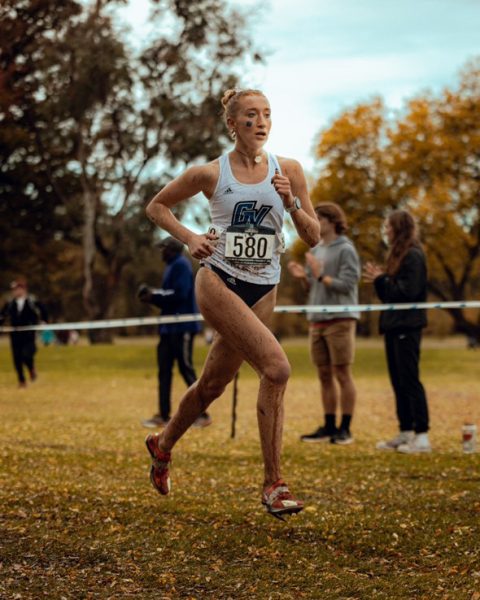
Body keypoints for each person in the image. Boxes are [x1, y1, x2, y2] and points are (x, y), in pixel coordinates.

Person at [143, 88, 320, 519]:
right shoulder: (209, 174)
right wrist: (191, 239)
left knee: (212, 385)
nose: (261, 122)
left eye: (267, 115)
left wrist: (291, 202)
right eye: (251, 116)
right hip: (219, 280)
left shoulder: (290, 170)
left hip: (264, 288)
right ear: (233, 124)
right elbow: (156, 207)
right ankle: (274, 485)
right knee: (276, 368)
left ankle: (162, 445)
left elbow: (314, 237)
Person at [288, 203, 360, 445]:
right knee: (324, 375)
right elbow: (314, 284)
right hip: (316, 320)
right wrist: (304, 278)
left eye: (318, 217)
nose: (314, 221)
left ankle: (345, 429)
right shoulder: (317, 249)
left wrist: (319, 276)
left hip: (339, 320)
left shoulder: (346, 249)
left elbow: (348, 285)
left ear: (331, 220)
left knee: (342, 373)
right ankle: (329, 426)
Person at [363, 209, 431, 454]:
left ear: (400, 229)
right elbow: (388, 294)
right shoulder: (396, 255)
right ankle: (406, 431)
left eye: (389, 227)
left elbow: (407, 292)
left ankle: (422, 436)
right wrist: (381, 279)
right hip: (393, 325)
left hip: (407, 325)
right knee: (398, 381)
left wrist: (382, 279)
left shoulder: (413, 255)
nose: (386, 231)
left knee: (410, 379)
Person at [138, 236, 211, 429]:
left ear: (171, 249)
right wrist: (153, 295)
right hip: (168, 327)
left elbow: (179, 294)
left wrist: (153, 296)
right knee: (164, 370)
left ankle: (202, 414)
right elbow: (168, 293)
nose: (161, 252)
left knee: (186, 369)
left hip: (183, 327)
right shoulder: (171, 266)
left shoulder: (181, 265)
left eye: (163, 248)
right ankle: (163, 414)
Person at [0, 277, 48, 388]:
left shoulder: (32, 301)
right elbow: (3, 316)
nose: (16, 291)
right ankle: (22, 381)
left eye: (18, 289)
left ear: (24, 289)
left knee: (26, 355)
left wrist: (44, 321)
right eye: (14, 289)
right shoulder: (10, 303)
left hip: (29, 334)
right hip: (15, 334)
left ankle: (31, 368)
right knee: (16, 358)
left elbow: (43, 311)